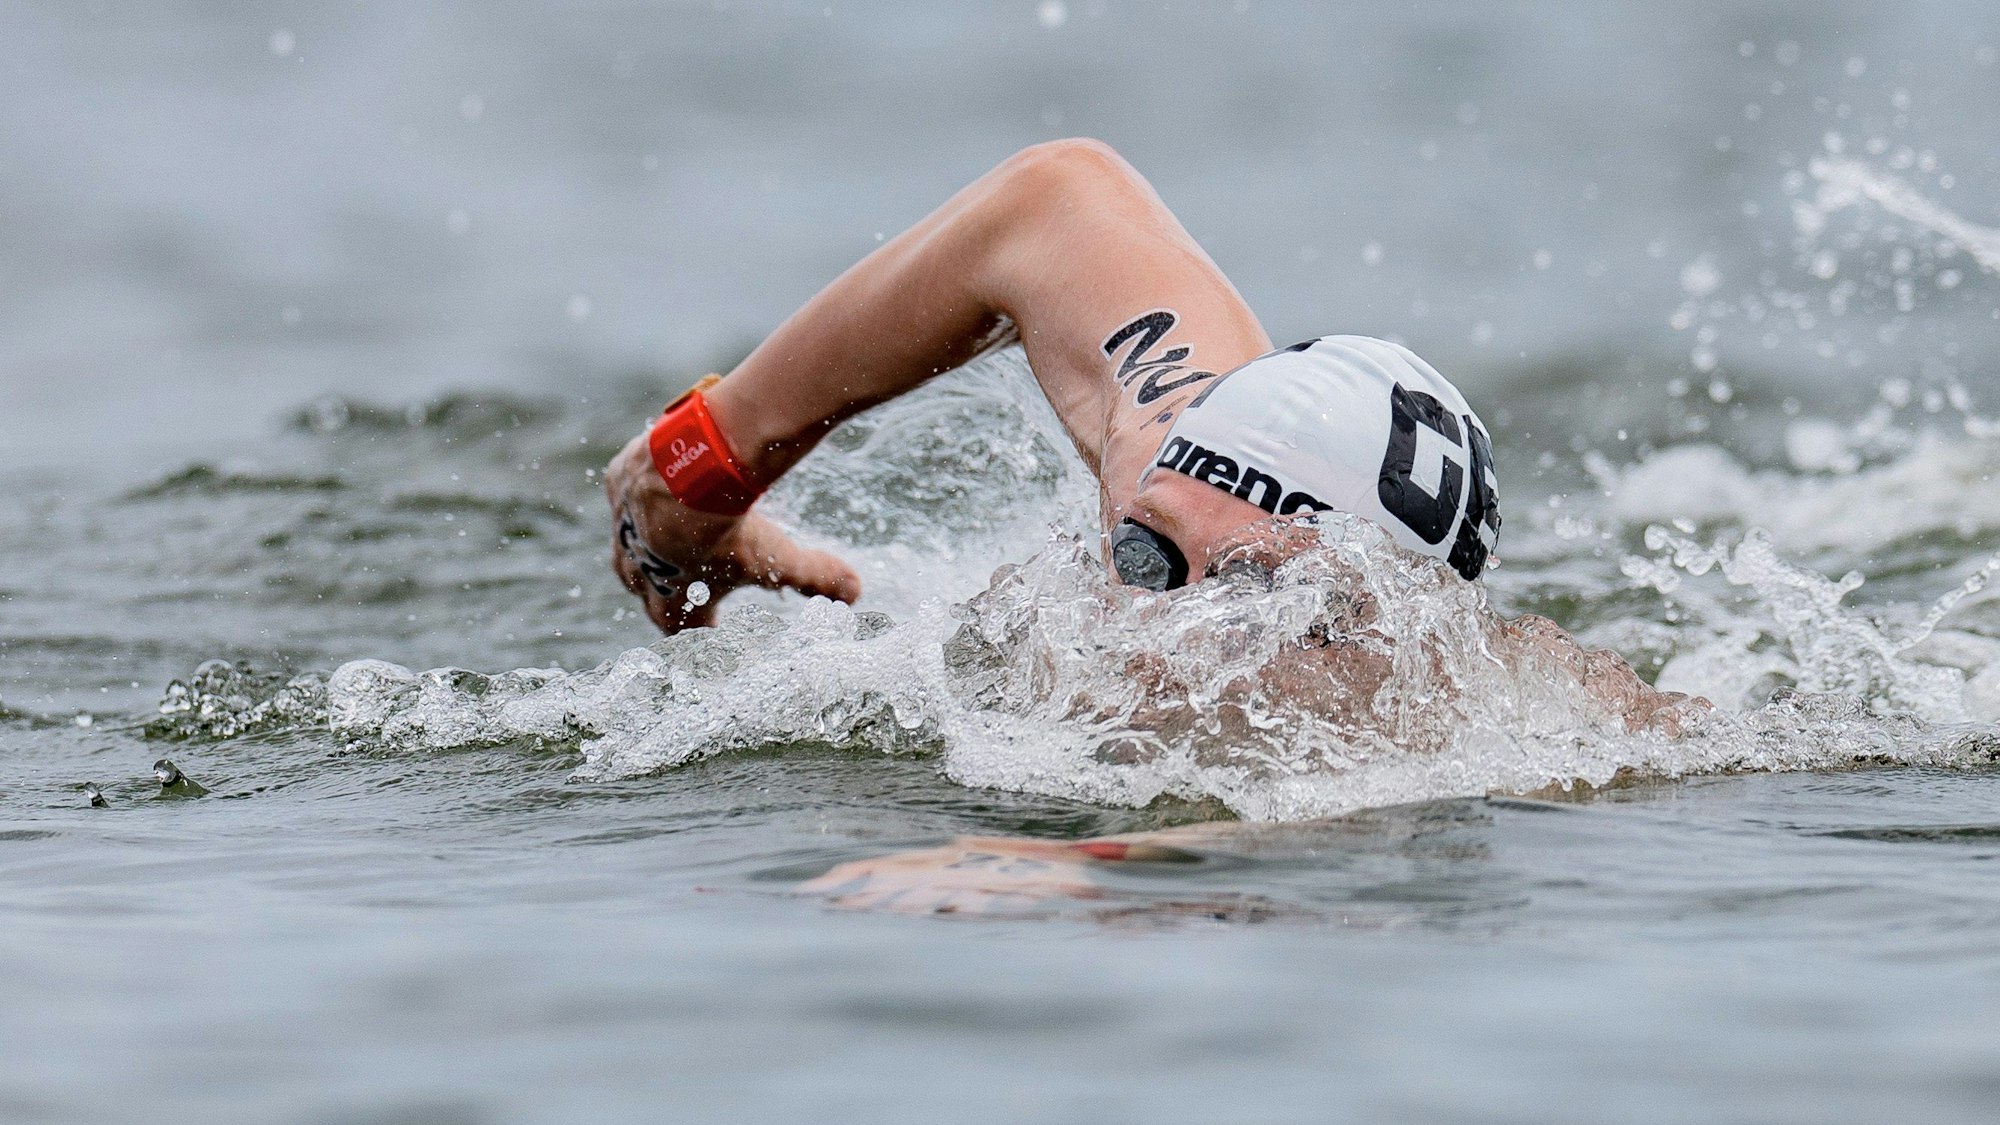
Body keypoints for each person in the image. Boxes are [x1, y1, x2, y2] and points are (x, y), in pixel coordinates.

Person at [603, 139, 1702, 915]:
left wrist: (1099, 867)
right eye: (1141, 553)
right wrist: (698, 474)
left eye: (1244, 594)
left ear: (1374, 635)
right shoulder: (1165, 447)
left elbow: (1313, 834)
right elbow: (1053, 196)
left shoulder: (1440, 721)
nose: (1151, 622)